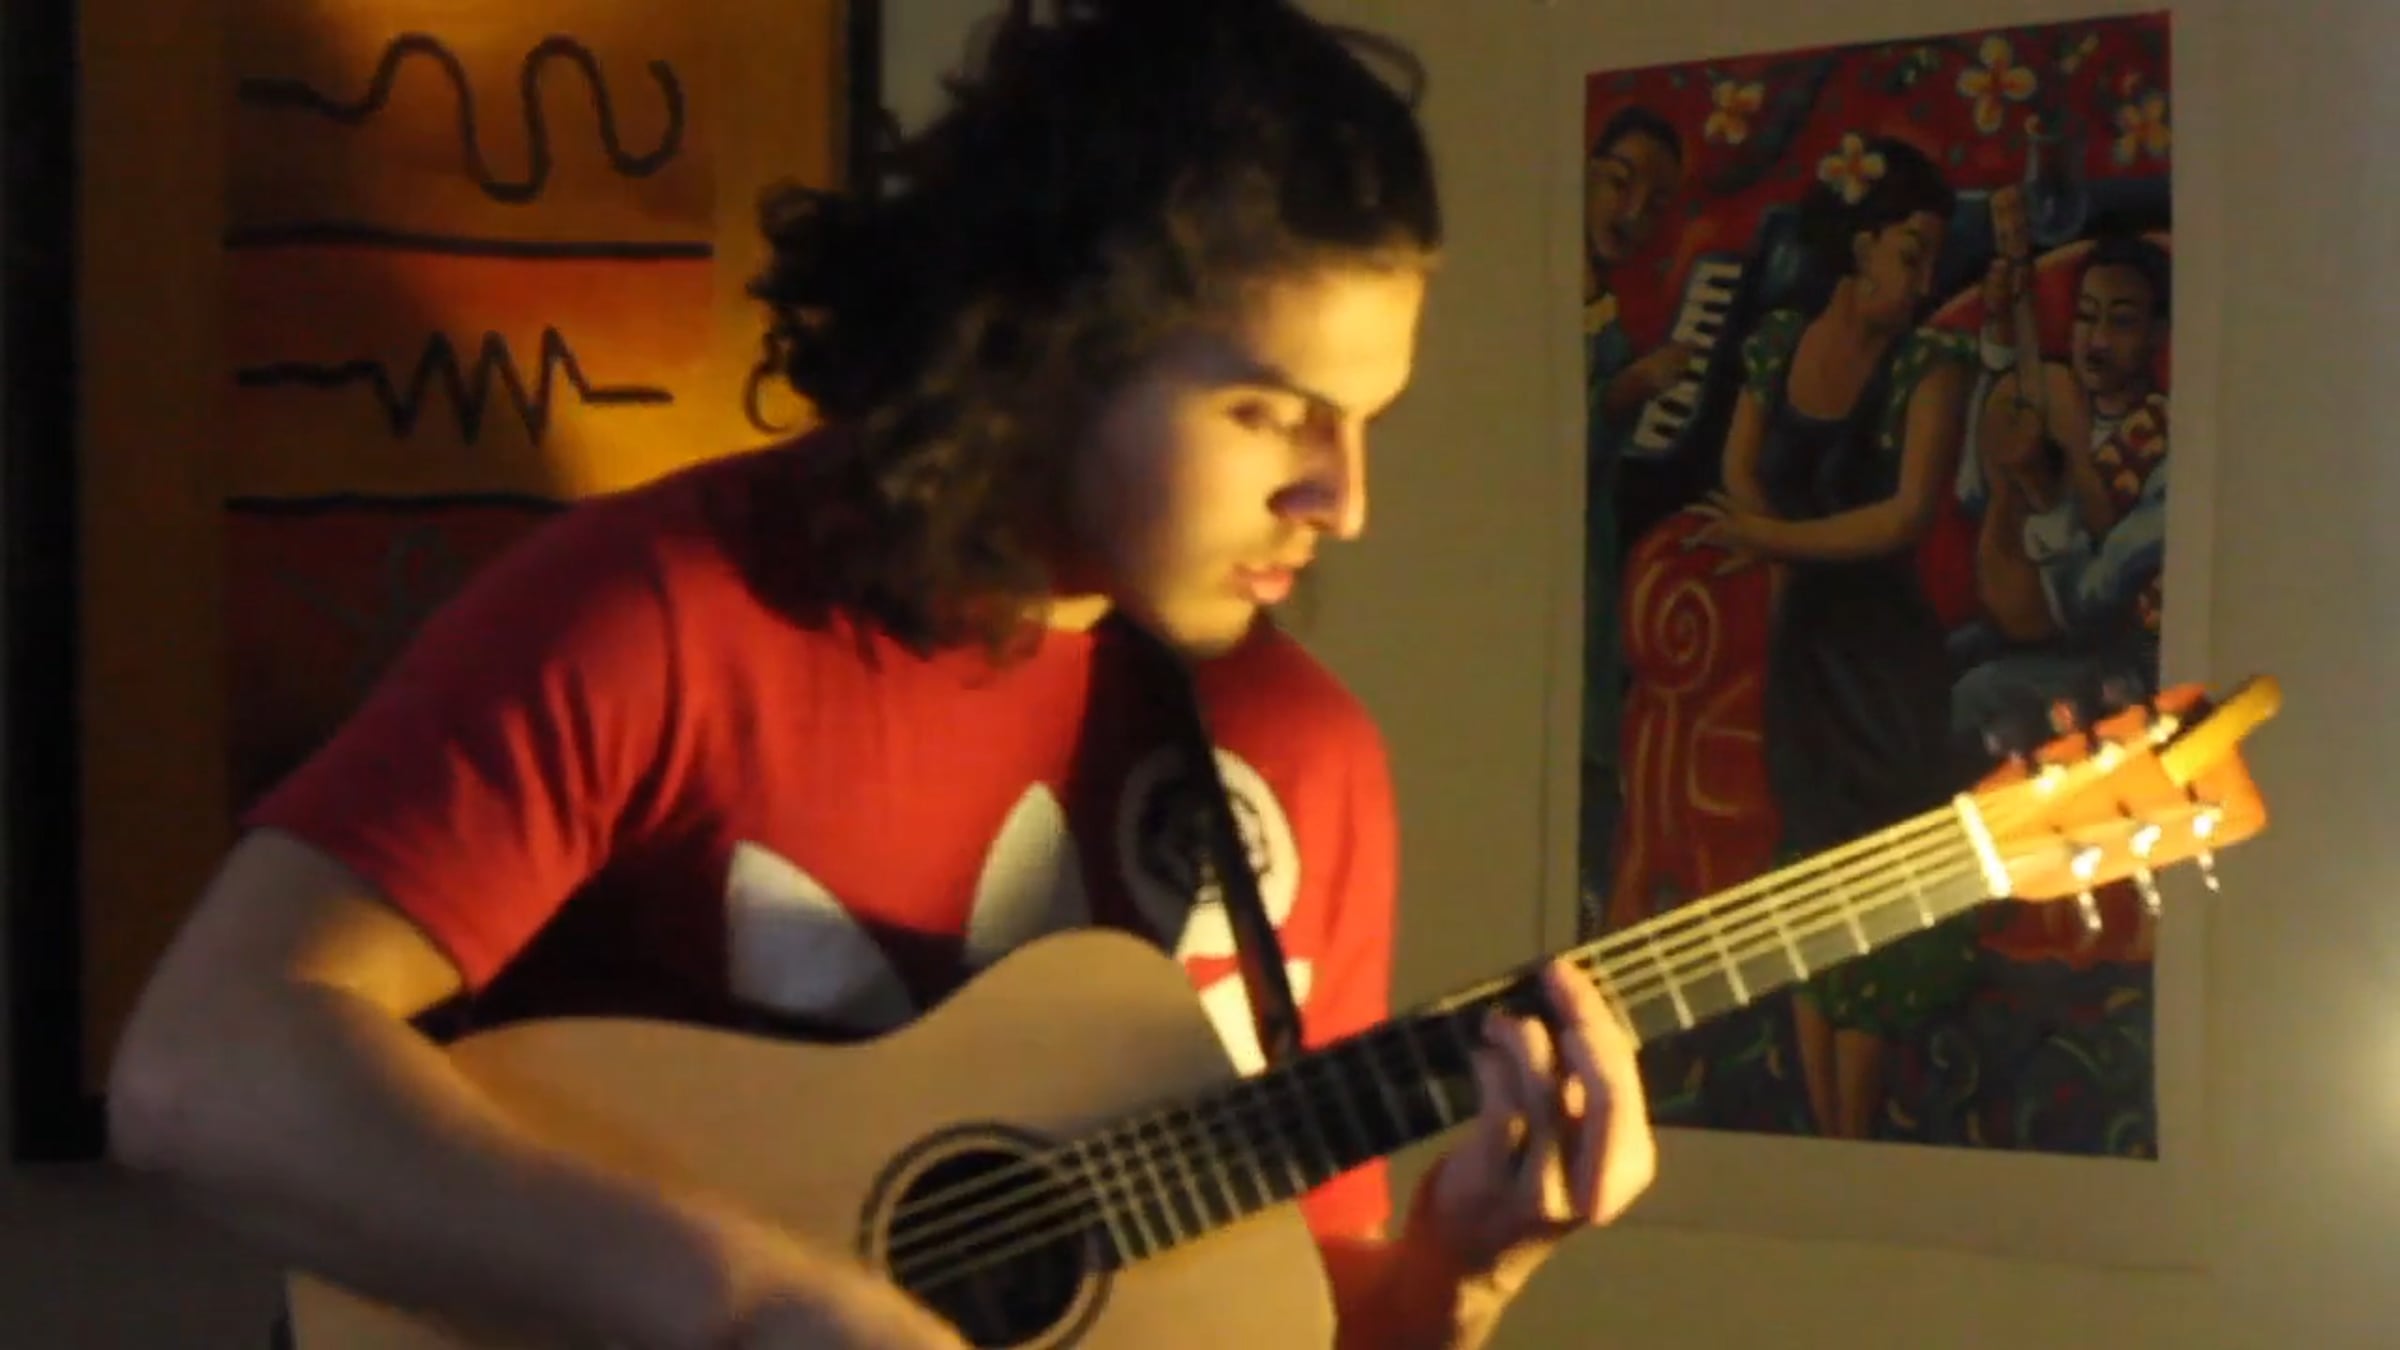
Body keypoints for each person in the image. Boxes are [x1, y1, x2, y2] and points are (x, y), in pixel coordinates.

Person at [103, 3, 1658, 1349]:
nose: (1343, 500)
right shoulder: (672, 616)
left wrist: (1464, 1269)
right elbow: (202, 1067)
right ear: (1048, 347)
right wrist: (753, 1302)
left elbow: (1275, 1313)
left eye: (1368, 418)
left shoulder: (1301, 755)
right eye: (1269, 411)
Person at [1684, 135, 1981, 1140]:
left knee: (1878, 883)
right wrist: (1773, 550)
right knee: (1811, 870)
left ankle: (1855, 1136)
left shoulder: (1933, 364)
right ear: (1860, 245)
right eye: (1911, 253)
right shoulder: (1779, 343)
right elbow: (1739, 469)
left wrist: (1770, 542)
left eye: (1932, 259)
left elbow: (1904, 517)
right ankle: (1826, 1139)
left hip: (1884, 663)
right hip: (1805, 650)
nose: (1924, 280)